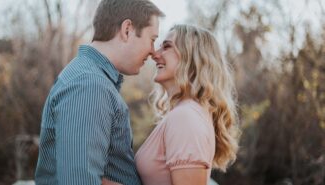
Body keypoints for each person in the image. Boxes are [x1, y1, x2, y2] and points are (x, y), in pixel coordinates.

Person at [35, 0, 164, 184]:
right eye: (152, 39)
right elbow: (78, 181)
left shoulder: (93, 81)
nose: (153, 51)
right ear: (127, 29)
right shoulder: (90, 86)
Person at [135, 24, 240, 185]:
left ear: (192, 57)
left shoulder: (185, 117)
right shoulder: (188, 113)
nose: (155, 54)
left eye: (167, 46)